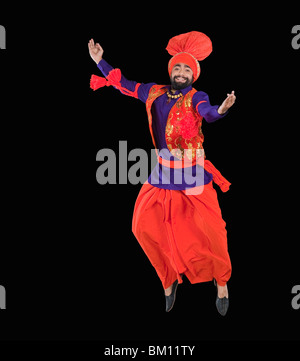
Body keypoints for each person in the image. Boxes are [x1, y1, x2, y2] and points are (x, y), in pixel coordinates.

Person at [89, 31, 236, 316]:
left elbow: (208, 112)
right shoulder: (153, 91)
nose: (181, 72)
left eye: (187, 69)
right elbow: (124, 84)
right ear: (171, 70)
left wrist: (222, 109)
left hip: (193, 172)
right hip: (164, 170)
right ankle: (168, 279)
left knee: (213, 232)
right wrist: (100, 62)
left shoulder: (197, 96)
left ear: (194, 75)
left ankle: (222, 282)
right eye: (177, 67)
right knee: (143, 226)